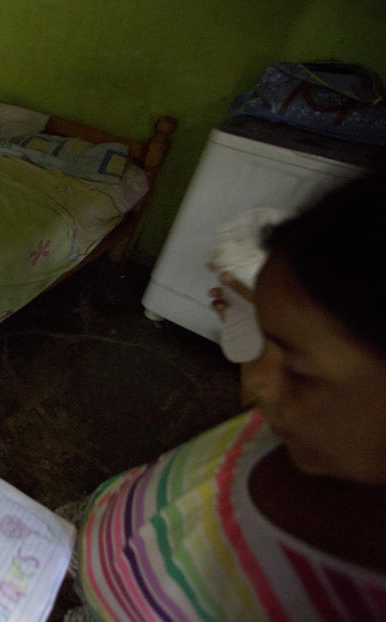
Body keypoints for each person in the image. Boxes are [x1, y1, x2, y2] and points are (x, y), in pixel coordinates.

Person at [72, 170, 386, 621]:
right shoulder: (303, 422)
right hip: (99, 560)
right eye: (265, 338)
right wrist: (248, 328)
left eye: (297, 369)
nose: (258, 380)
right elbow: (256, 407)